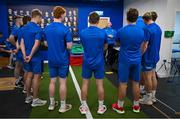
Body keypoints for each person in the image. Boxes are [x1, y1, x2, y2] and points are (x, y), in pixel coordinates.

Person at [112, 8, 146, 114]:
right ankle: (136, 106)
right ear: (137, 18)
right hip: (136, 60)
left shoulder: (121, 31)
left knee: (123, 83)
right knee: (136, 83)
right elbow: (142, 45)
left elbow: (116, 43)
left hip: (124, 60)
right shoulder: (141, 31)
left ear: (127, 18)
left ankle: (120, 107)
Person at [44, 6, 73, 113]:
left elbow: (46, 44)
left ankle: (51, 104)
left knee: (52, 82)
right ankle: (62, 106)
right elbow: (70, 46)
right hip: (62, 59)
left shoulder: (47, 28)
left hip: (51, 59)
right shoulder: (65, 29)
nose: (65, 16)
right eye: (64, 14)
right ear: (61, 15)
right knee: (62, 83)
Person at [79, 12, 108, 115]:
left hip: (87, 61)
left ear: (89, 20)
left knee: (85, 83)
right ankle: (101, 108)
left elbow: (83, 45)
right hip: (99, 61)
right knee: (100, 84)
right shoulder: (103, 33)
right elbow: (105, 47)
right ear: (98, 21)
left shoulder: (82, 32)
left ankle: (83, 107)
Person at [20, 9, 47, 107]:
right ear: (38, 17)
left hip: (26, 56)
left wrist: (24, 55)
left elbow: (21, 43)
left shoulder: (24, 28)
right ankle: (35, 99)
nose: (41, 20)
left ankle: (28, 97)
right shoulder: (38, 29)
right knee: (36, 77)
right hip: (35, 57)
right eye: (41, 18)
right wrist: (31, 56)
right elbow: (36, 44)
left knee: (29, 76)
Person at [140, 12, 162, 105]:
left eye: (143, 20)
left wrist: (140, 55)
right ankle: (153, 97)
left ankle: (147, 99)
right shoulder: (158, 28)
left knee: (148, 77)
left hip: (148, 56)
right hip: (155, 55)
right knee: (153, 76)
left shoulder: (147, 29)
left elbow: (145, 45)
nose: (143, 22)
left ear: (145, 19)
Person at [8, 15, 24, 87]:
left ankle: (20, 80)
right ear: (18, 20)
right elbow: (10, 38)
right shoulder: (16, 28)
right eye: (21, 19)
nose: (22, 21)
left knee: (20, 66)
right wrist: (17, 47)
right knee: (18, 66)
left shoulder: (17, 28)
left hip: (18, 50)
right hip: (18, 51)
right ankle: (17, 82)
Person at [17, 15, 31, 93]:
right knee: (27, 72)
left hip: (23, 52)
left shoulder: (21, 29)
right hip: (25, 53)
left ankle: (26, 88)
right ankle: (26, 88)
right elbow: (20, 43)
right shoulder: (24, 29)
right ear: (28, 21)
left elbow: (17, 42)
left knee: (27, 71)